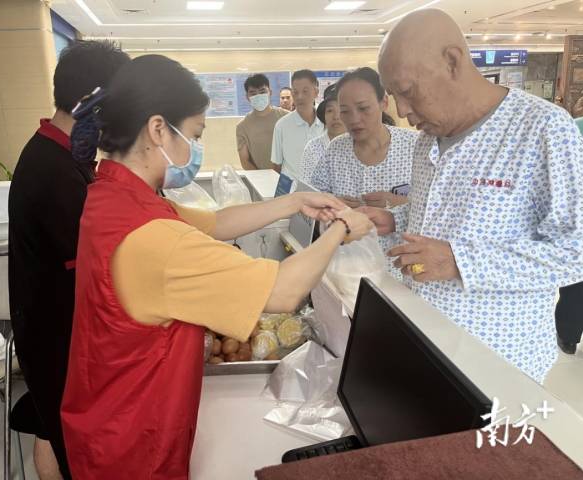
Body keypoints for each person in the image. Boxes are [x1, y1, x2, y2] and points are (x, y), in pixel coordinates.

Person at [60, 54, 372, 479]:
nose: (195, 148)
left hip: (106, 413)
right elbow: (283, 291)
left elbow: (214, 224)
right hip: (133, 439)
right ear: (157, 129)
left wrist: (296, 201)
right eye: (194, 134)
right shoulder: (154, 238)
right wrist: (341, 229)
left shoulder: (115, 197)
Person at [362, 9, 583, 384]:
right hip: (423, 343)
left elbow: (576, 251)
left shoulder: (542, 129)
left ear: (452, 61)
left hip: (499, 362)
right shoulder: (426, 140)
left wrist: (460, 261)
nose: (401, 111)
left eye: (408, 91)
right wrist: (394, 220)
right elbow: (437, 219)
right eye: (393, 96)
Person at [8, 40, 129, 479]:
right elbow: (100, 260)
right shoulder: (51, 170)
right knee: (65, 435)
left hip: (57, 329)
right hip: (56, 335)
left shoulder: (64, 154)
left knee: (51, 426)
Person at [310, 68, 417, 209]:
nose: (354, 119)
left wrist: (400, 202)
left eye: (363, 108)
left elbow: (438, 205)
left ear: (384, 103)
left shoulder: (414, 146)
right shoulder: (336, 149)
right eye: (345, 111)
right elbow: (313, 199)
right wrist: (332, 204)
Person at [555, 116, 583, 354]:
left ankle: (568, 336)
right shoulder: (572, 126)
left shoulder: (572, 126)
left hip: (575, 215)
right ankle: (567, 334)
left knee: (576, 282)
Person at [271, 70, 324, 180]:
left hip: (319, 189)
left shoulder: (326, 123)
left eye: (305, 91)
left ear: (316, 92)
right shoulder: (281, 126)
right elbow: (276, 165)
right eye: (295, 92)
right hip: (292, 189)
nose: (299, 97)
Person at [236, 74, 288, 170]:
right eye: (253, 93)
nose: (258, 96)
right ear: (247, 97)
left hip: (288, 176)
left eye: (262, 92)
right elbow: (245, 161)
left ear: (270, 92)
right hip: (259, 177)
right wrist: (262, 177)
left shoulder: (286, 117)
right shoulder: (242, 126)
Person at [300, 83, 346, 183]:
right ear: (324, 115)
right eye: (330, 110)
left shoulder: (361, 146)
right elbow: (306, 185)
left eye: (341, 110)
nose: (336, 117)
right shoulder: (313, 148)